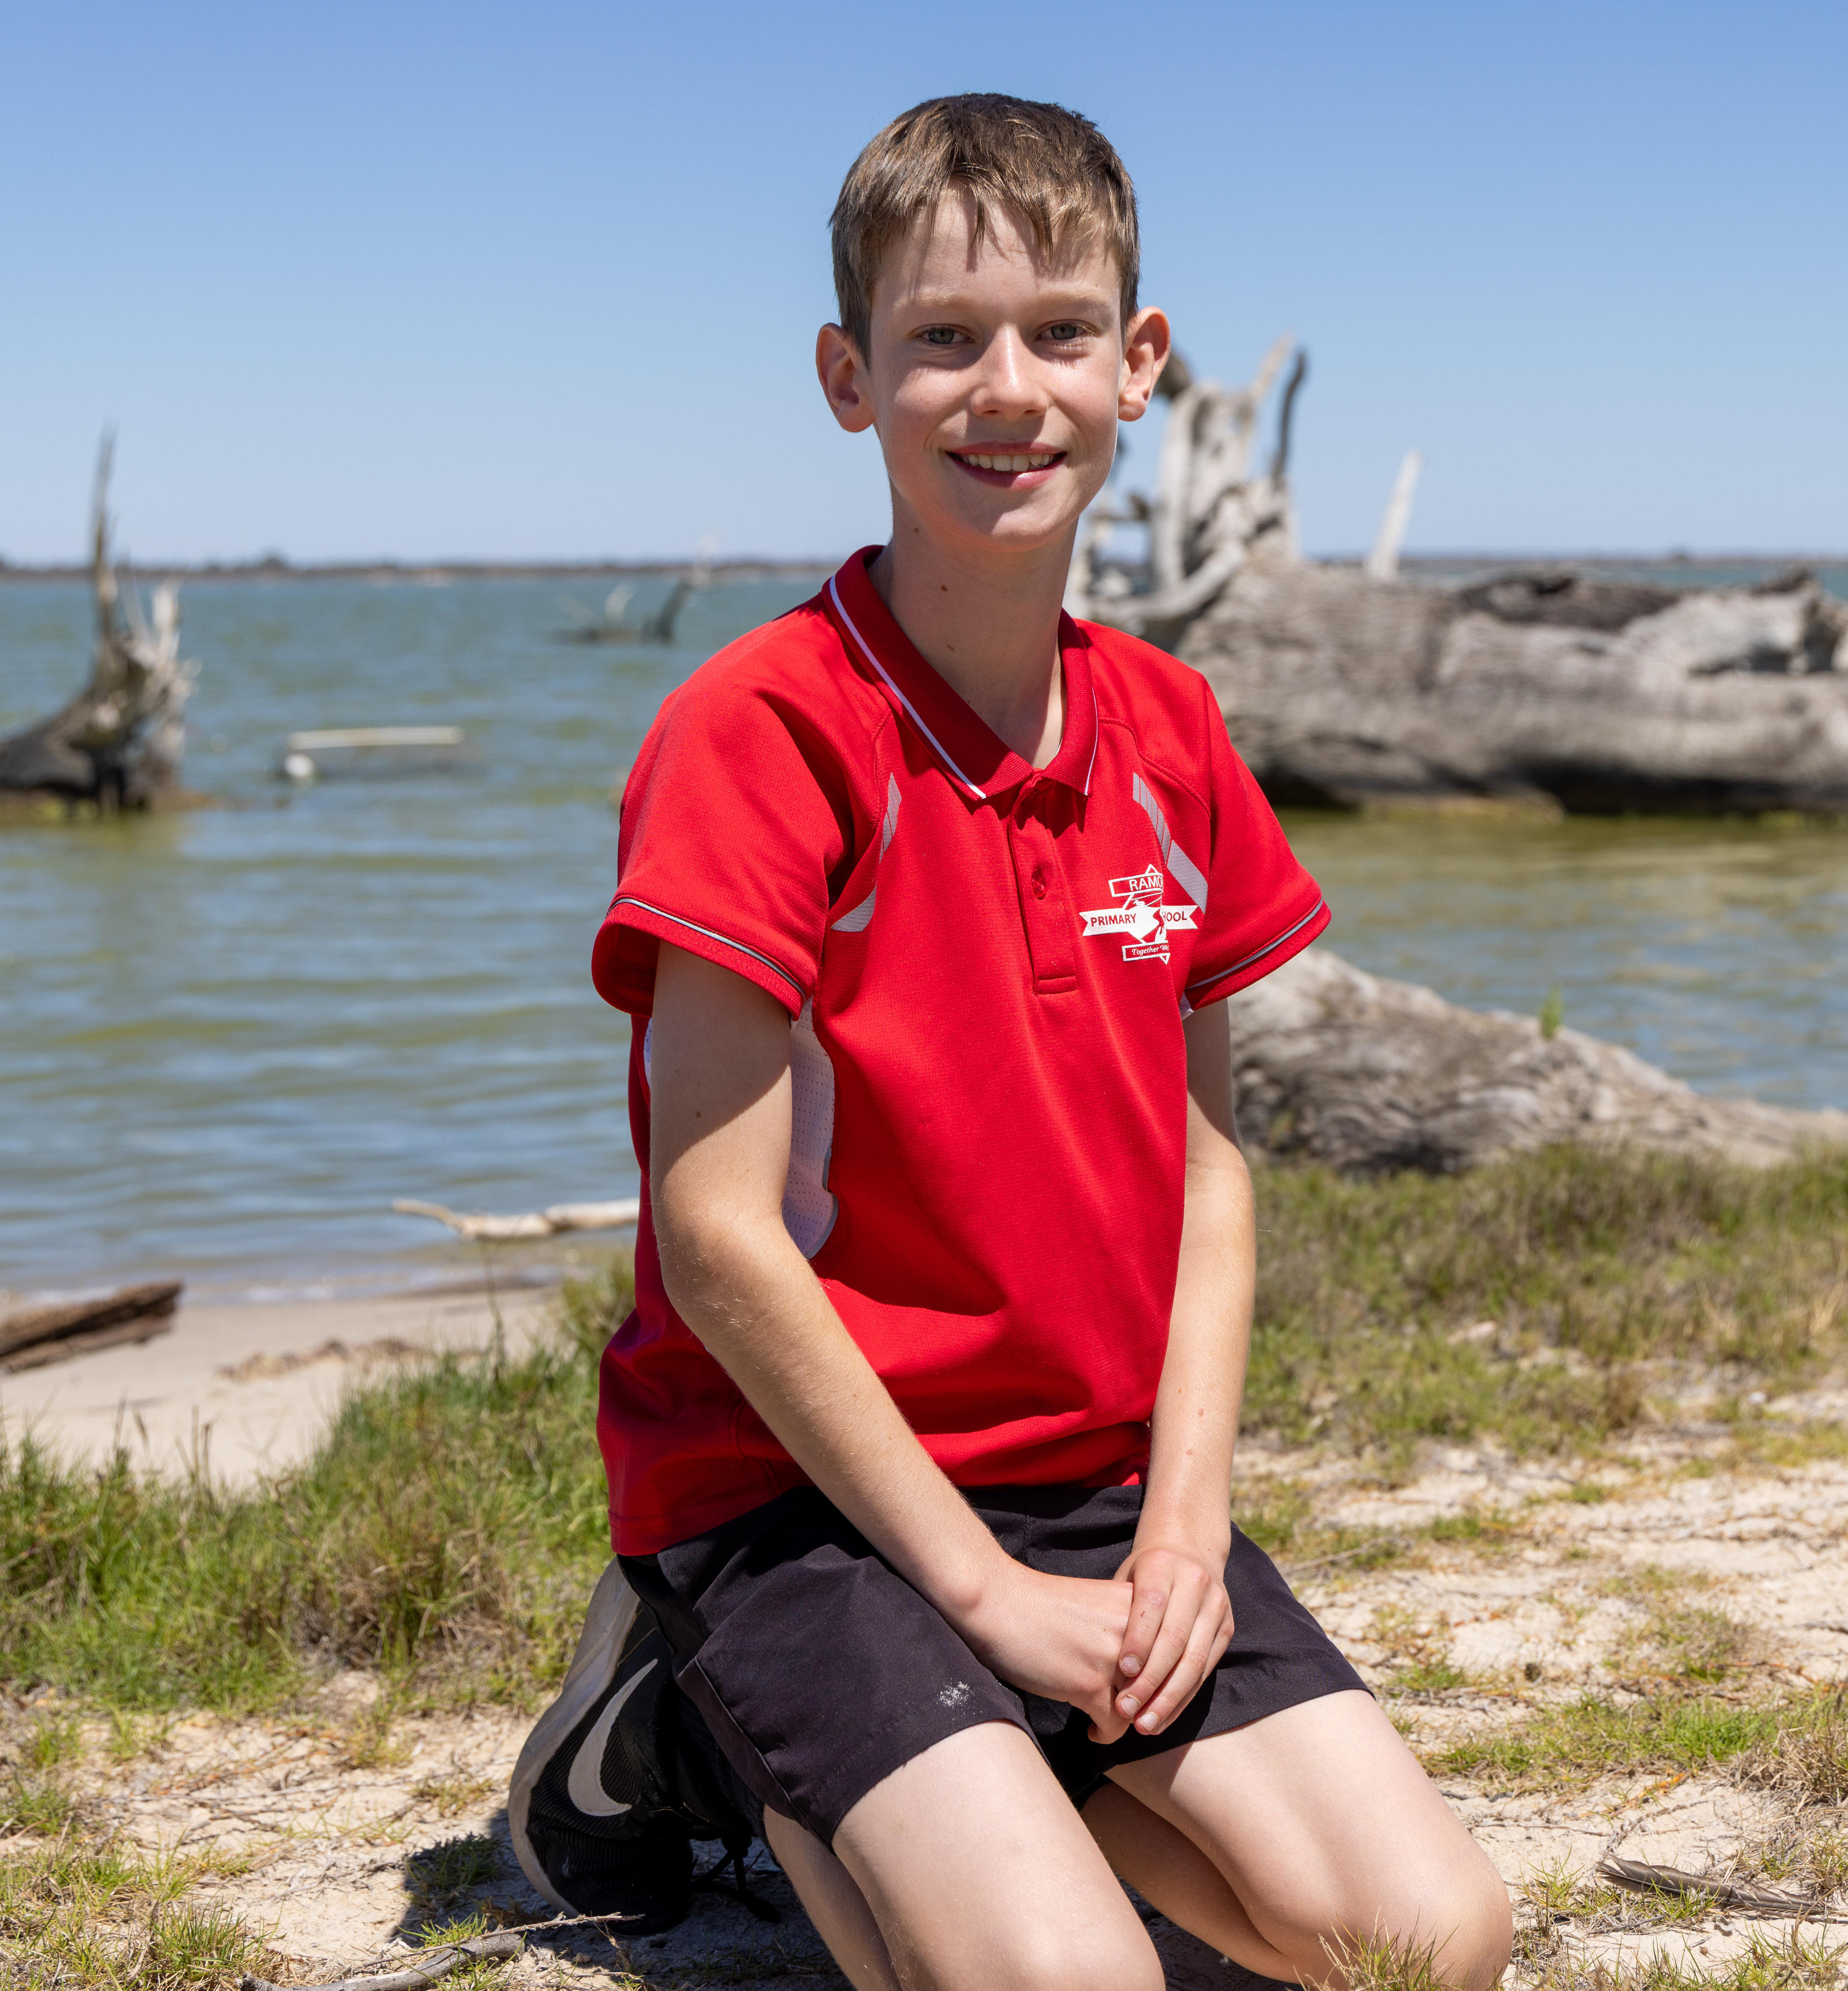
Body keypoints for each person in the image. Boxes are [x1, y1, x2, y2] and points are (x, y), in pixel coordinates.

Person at [511, 93, 1512, 1991]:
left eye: (1062, 332)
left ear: (1141, 367)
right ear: (847, 377)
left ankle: (1009, 1755)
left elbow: (1212, 1166)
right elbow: (715, 1236)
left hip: (1099, 1479)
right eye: (941, 339)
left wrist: (1188, 1533)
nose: (1007, 387)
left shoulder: (1171, 727)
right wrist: (973, 1594)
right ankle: (686, 1712)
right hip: (797, 1494)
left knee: (1429, 1944)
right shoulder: (762, 730)